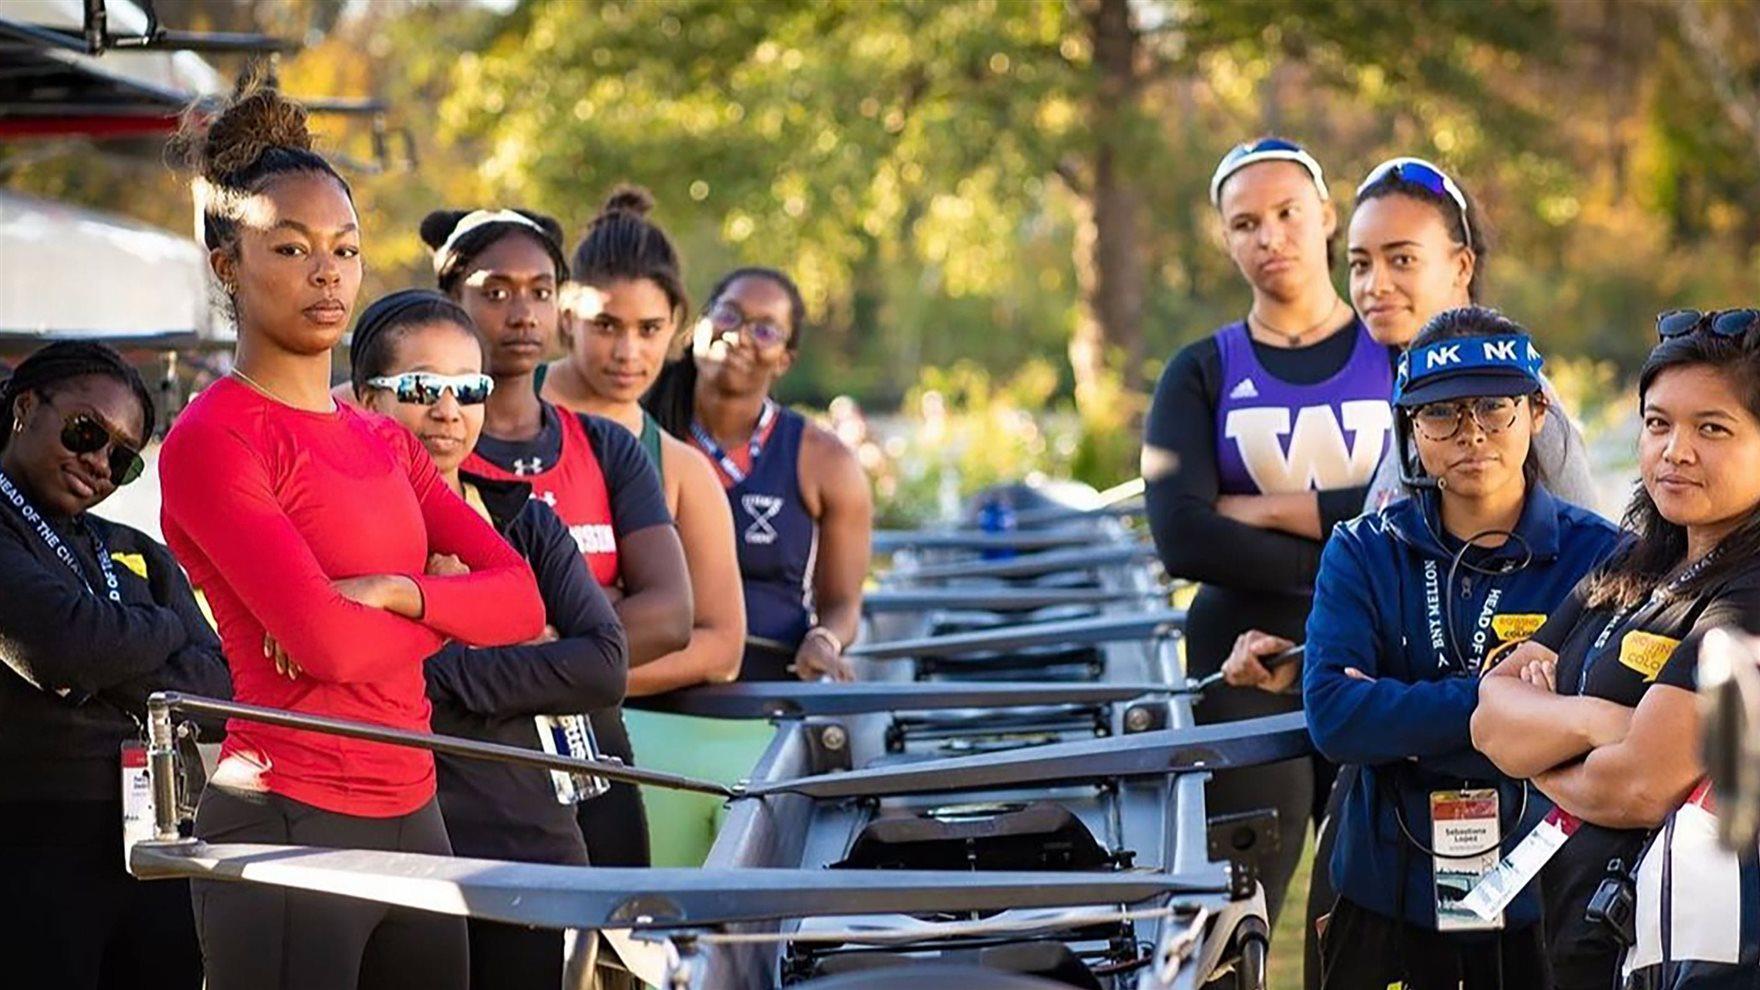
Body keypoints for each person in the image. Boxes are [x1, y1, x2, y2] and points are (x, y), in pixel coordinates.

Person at [158, 80, 545, 990]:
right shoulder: (215, 439)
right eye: (290, 249)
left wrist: (402, 595)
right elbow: (324, 644)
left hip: (416, 810)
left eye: (344, 249)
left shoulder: (378, 436)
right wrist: (445, 609)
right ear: (228, 266)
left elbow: (522, 601)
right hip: (286, 817)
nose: (326, 272)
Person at [1303, 307, 1622, 989]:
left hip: (1543, 884)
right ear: (1410, 431)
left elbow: (1606, 725)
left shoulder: (1606, 559)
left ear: (1537, 413)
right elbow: (1333, 715)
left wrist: (1402, 717)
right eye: (1442, 414)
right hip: (1384, 879)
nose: (1471, 432)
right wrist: (1503, 706)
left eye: (1494, 407)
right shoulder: (1362, 550)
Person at [1142, 137, 1395, 924]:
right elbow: (1180, 534)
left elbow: (1435, 506)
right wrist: (1354, 536)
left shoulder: (1397, 350)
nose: (1270, 236)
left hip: (1386, 647)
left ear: (1325, 215)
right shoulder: (1199, 369)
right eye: (1245, 223)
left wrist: (1253, 511)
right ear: (1225, 237)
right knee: (1236, 908)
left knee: (1383, 906)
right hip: (1243, 655)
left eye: (1287, 213)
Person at [347, 288, 629, 988]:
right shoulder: (336, 528)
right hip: (387, 853)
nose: (448, 412)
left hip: (523, 847)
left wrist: (443, 653)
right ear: (363, 397)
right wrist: (518, 641)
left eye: (468, 389)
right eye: (420, 389)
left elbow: (603, 665)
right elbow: (341, 662)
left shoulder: (523, 520)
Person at [1472, 309, 1760, 990]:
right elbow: (1489, 711)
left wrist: (1539, 758)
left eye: (1711, 429)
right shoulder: (1634, 562)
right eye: (1657, 423)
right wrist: (1599, 724)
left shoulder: (1748, 594)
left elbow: (1637, 785)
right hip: (1584, 931)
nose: (1674, 450)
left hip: (1689, 954)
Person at [419, 206, 691, 870]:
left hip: (592, 749)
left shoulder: (605, 448)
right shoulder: (423, 447)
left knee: (614, 952)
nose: (522, 313)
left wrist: (505, 635)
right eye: (497, 291)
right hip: (471, 765)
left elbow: (671, 616)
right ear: (450, 300)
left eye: (541, 291)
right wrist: (573, 633)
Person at [0, 342, 232, 990]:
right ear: (25, 408)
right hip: (27, 842)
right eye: (85, 433)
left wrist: (105, 654)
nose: (98, 463)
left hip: (153, 839)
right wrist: (162, 629)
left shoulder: (137, 550)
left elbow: (215, 688)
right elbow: (62, 649)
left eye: (122, 459)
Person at [544, 186, 753, 867]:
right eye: (605, 325)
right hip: (484, 747)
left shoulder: (683, 469)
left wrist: (564, 675)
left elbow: (721, 645)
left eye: (650, 329)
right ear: (565, 313)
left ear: (678, 328)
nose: (628, 351)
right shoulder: (481, 410)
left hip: (617, 747)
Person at [645, 266, 873, 683]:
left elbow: (843, 604)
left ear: (785, 359)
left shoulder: (826, 461)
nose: (739, 336)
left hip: (767, 692)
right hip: (651, 683)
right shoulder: (639, 430)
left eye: (765, 330)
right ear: (700, 324)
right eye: (728, 315)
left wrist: (824, 639)